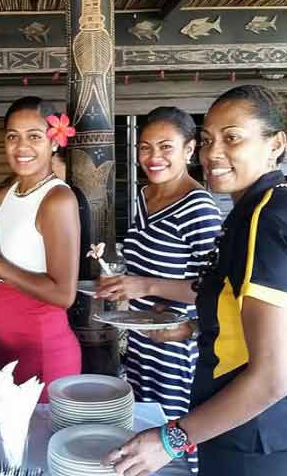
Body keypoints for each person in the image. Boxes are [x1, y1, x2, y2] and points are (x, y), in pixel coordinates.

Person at [106, 85, 287, 476]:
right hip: (235, 426)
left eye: (233, 138)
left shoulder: (268, 224)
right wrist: (189, 328)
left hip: (259, 439)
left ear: (276, 143)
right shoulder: (250, 213)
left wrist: (172, 439)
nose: (213, 153)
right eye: (208, 139)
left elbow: (273, 378)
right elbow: (234, 306)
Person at [95, 107, 221, 473]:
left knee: (172, 447)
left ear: (189, 150)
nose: (153, 157)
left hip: (177, 348)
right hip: (142, 342)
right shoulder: (144, 195)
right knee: (140, 440)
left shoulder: (199, 208)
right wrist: (122, 284)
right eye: (145, 147)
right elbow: (144, 263)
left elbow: (214, 290)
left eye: (166, 147)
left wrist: (145, 284)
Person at [0, 96, 81, 402]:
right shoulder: (4, 196)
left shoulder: (57, 200)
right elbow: (1, 269)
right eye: (13, 136)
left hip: (42, 350)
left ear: (54, 142)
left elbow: (63, 295)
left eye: (34, 137)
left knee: (35, 448)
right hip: (3, 346)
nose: (21, 147)